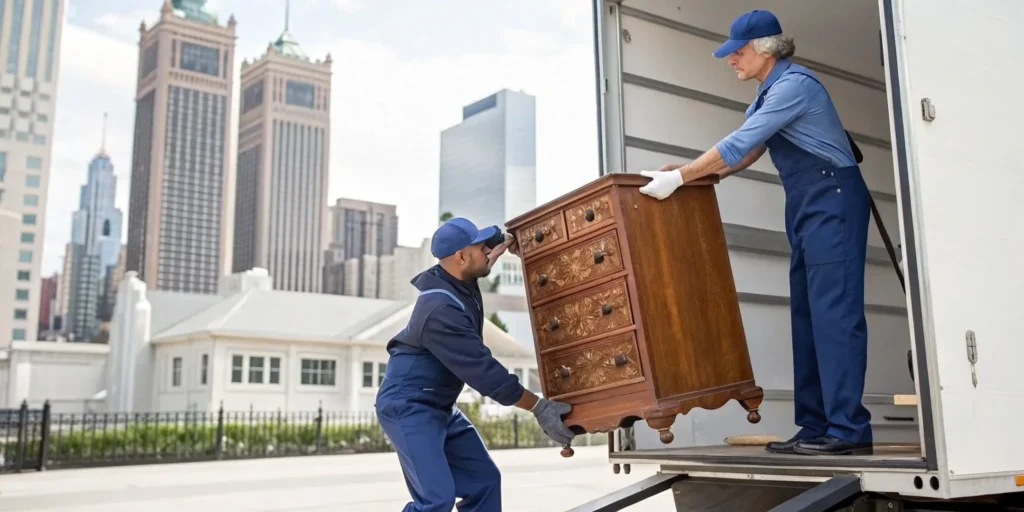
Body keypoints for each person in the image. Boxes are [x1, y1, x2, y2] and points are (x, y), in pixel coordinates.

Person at [637, 9, 873, 457]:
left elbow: (739, 144)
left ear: (765, 48)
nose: (731, 60)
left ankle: (849, 431)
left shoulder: (795, 86)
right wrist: (694, 175)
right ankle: (816, 425)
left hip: (833, 199)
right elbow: (745, 154)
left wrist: (683, 177)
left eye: (738, 52)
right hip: (806, 204)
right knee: (806, 316)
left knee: (834, 315)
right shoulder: (767, 96)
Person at [375, 217, 576, 511]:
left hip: (440, 406)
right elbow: (485, 375)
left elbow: (488, 257)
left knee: (484, 481)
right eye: (480, 247)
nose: (487, 252)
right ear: (460, 256)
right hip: (409, 406)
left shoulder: (458, 276)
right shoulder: (439, 310)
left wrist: (506, 241)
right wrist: (539, 407)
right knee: (435, 500)